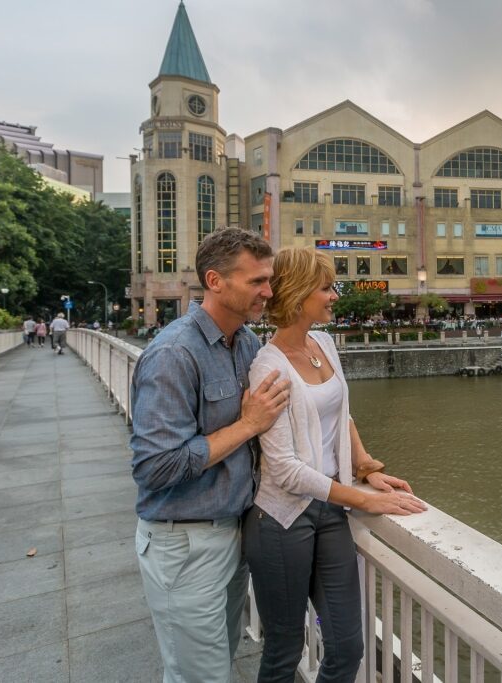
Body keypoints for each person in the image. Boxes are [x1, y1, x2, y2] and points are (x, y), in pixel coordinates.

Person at [244, 246, 425, 683]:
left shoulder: (322, 343)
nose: (333, 296)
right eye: (326, 288)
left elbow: (340, 413)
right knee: (284, 649)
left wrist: (365, 467)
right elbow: (284, 468)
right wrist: (366, 502)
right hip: (282, 518)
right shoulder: (268, 367)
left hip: (330, 509)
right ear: (300, 293)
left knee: (347, 646)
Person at [129, 228, 290, 683]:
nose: (269, 291)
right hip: (184, 544)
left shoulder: (248, 344)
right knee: (201, 676)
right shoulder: (174, 353)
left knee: (216, 662)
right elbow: (154, 467)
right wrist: (246, 426)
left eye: (269, 280)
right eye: (257, 281)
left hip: (233, 533)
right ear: (215, 281)